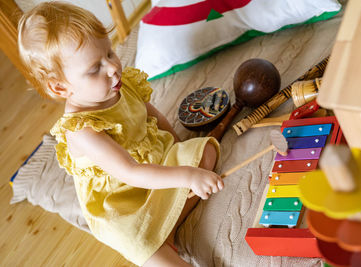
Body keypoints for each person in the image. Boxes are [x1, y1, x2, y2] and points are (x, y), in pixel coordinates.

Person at [18, 2, 223, 266]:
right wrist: (188, 175)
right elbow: (131, 171)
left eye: (110, 52)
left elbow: (153, 115)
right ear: (60, 88)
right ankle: (162, 234)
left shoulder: (117, 85)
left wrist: (180, 146)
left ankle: (170, 224)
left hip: (155, 162)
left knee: (206, 150)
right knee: (138, 244)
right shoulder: (82, 131)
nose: (113, 68)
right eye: (95, 69)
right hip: (124, 201)